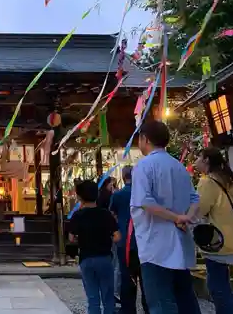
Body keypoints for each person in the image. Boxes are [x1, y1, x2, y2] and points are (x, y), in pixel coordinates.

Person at [131, 121, 201, 314]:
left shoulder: (144, 166)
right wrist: (186, 216)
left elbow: (145, 202)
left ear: (145, 139)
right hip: (180, 241)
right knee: (185, 298)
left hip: (155, 244)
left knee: (161, 302)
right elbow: (195, 198)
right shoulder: (178, 166)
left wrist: (176, 217)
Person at [194, 147, 233, 314]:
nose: (195, 161)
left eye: (198, 157)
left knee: (218, 289)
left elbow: (200, 210)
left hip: (217, 242)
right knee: (223, 286)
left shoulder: (207, 182)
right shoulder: (229, 180)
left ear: (206, 160)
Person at [68, 179, 121, 314]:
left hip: (86, 258)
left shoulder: (77, 215)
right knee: (108, 297)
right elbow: (117, 236)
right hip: (104, 257)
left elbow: (71, 238)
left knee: (92, 298)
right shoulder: (105, 214)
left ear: (80, 197)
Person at [110, 165, 149, 314]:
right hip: (144, 238)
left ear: (123, 176)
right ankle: (148, 307)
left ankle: (128, 309)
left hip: (125, 239)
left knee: (126, 276)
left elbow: (112, 215)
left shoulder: (118, 195)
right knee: (146, 276)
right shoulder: (143, 193)